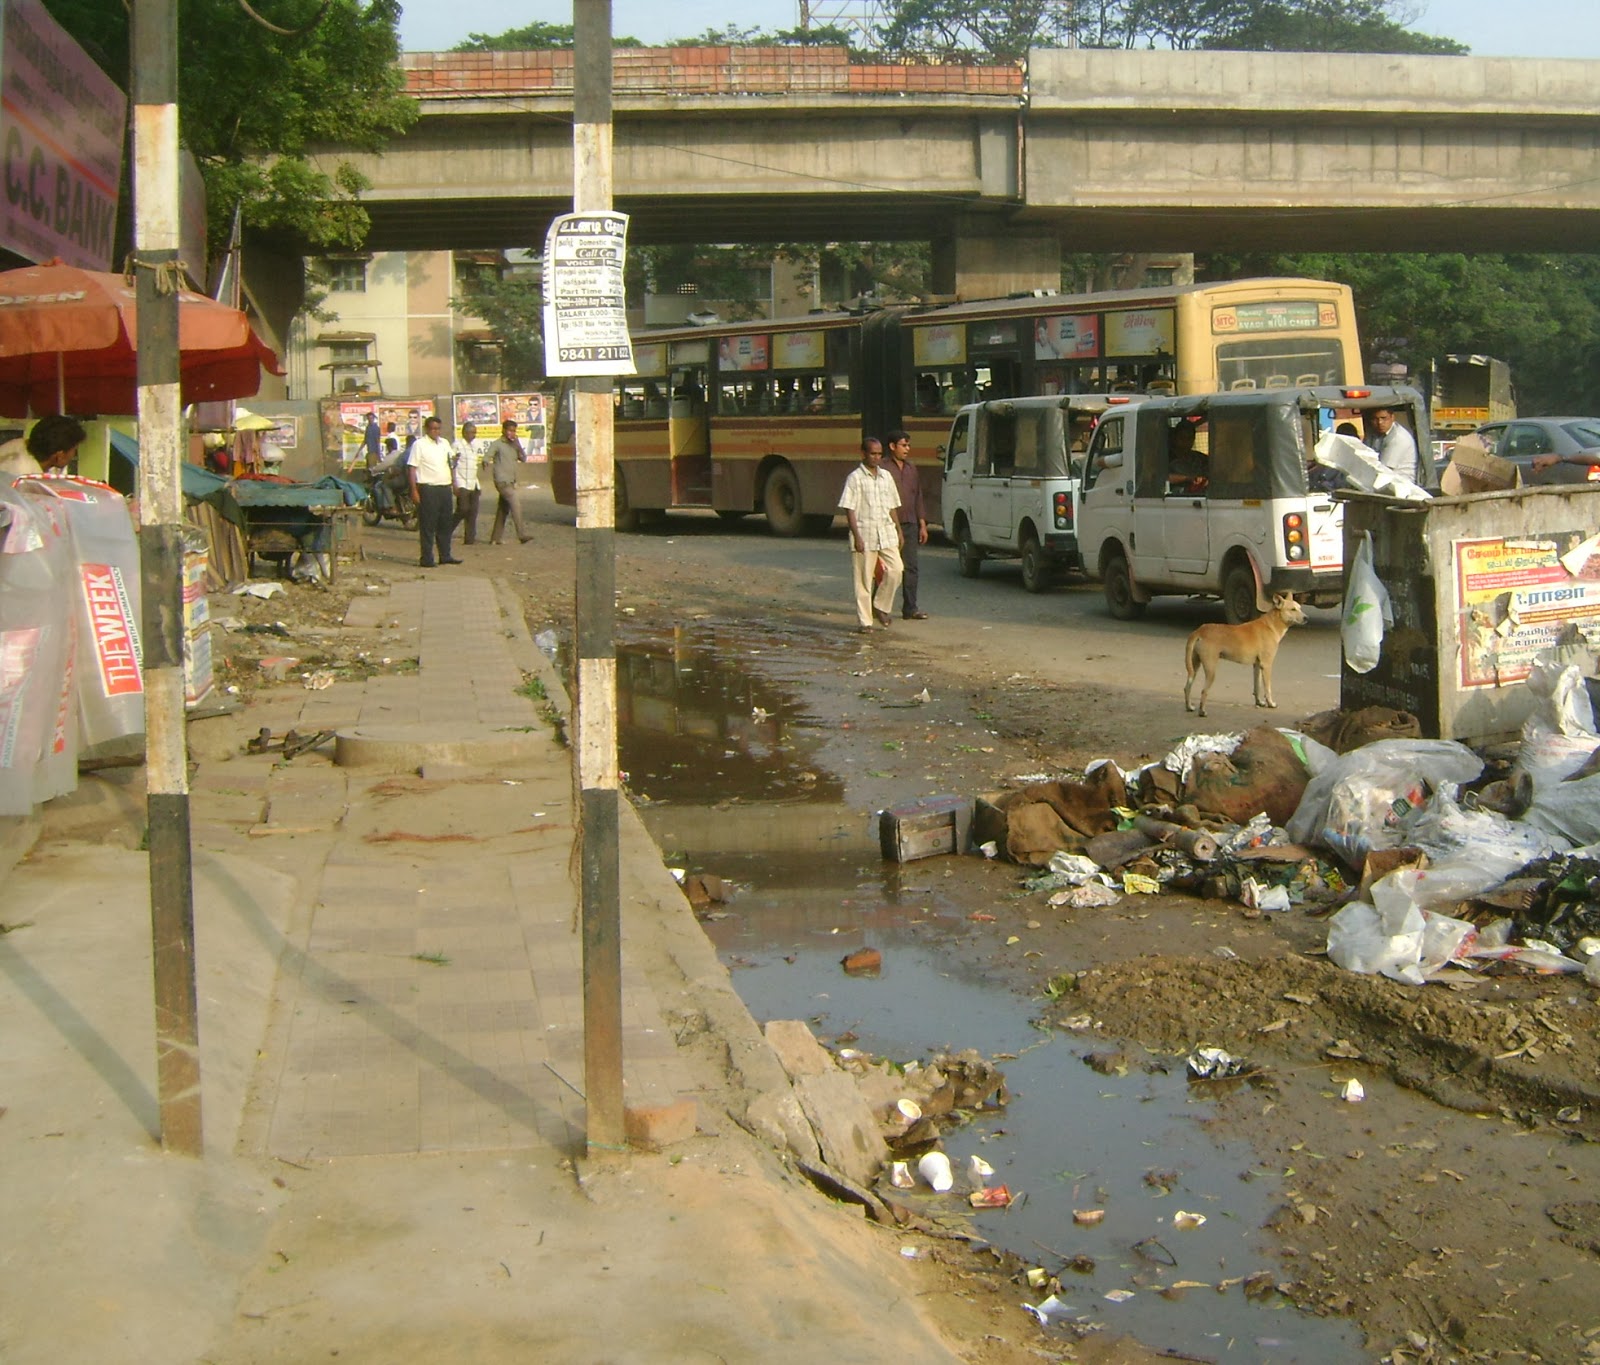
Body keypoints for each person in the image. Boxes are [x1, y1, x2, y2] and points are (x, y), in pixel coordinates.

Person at [838, 436, 903, 633]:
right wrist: (856, 536)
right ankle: (865, 622)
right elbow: (849, 509)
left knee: (896, 570)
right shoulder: (855, 478)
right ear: (863, 454)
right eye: (872, 454)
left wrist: (899, 530)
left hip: (886, 532)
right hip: (864, 534)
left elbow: (892, 505)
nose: (876, 458)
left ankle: (881, 605)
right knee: (864, 580)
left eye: (879, 454)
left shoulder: (886, 477)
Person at [884, 429, 929, 619]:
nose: (907, 449)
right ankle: (880, 607)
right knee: (887, 569)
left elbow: (917, 496)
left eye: (908, 445)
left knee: (911, 567)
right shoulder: (883, 468)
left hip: (910, 523)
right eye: (903, 445)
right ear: (892, 446)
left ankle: (910, 608)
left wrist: (922, 523)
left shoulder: (912, 468)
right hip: (887, 525)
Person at [407, 415, 459, 568]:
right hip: (428, 488)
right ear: (426, 429)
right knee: (428, 525)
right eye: (432, 429)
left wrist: (454, 483)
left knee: (445, 523)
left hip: (444, 487)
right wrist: (414, 490)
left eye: (438, 428)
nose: (435, 431)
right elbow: (412, 468)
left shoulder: (444, 443)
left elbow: (451, 464)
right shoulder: (419, 445)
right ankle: (427, 558)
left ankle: (445, 555)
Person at [0, 414, 87, 479]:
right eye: (74, 449)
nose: (74, 455)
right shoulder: (19, 475)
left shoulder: (48, 456)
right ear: (59, 456)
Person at [487, 418, 531, 545]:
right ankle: (521, 534)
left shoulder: (514, 445)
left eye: (514, 431)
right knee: (515, 504)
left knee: (503, 509)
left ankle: (495, 538)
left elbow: (523, 458)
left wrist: (518, 445)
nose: (512, 433)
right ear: (503, 431)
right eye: (510, 431)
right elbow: (489, 454)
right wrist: (485, 461)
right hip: (502, 482)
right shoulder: (497, 444)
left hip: (511, 481)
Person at [451, 420, 483, 545]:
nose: (473, 435)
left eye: (474, 433)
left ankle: (470, 538)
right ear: (464, 432)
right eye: (470, 432)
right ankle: (446, 530)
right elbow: (452, 464)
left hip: (473, 483)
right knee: (463, 509)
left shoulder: (473, 447)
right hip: (461, 482)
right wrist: (454, 483)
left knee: (473, 512)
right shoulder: (457, 445)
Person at [1371, 407, 1420, 483]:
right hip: (1389, 481)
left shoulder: (1398, 438)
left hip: (1402, 485)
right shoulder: (1378, 434)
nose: (1380, 422)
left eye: (1384, 418)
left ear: (1392, 417)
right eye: (1375, 419)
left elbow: (1383, 470)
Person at [1166, 419, 1207, 494]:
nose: (1186, 442)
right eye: (1182, 438)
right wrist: (1187, 478)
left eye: (1189, 438)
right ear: (1175, 438)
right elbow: (1162, 478)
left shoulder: (1200, 458)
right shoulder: (1165, 458)